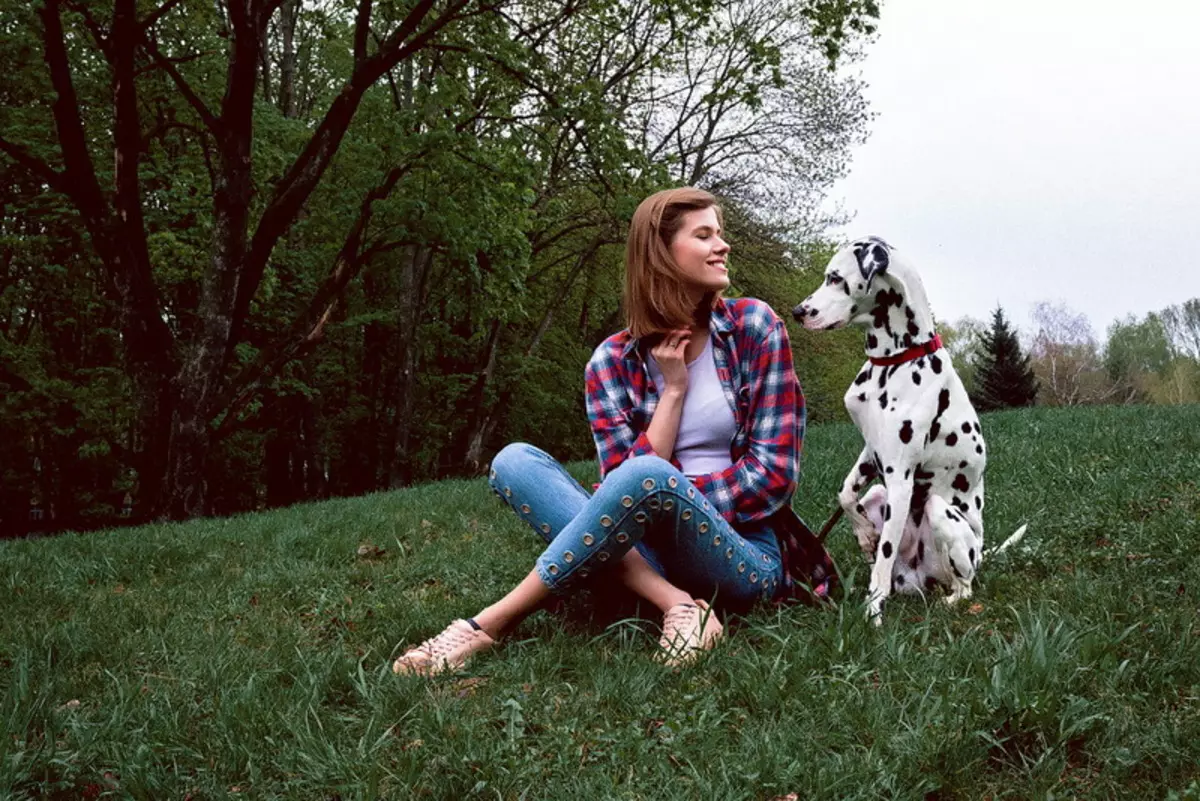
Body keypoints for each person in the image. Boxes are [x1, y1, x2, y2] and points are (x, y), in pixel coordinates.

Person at [393, 187, 829, 675]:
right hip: (641, 549)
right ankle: (679, 605)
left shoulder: (754, 327)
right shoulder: (610, 362)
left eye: (719, 233)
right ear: (660, 254)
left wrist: (667, 497)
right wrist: (673, 393)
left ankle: (488, 623)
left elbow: (772, 477)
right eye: (704, 235)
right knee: (514, 461)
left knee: (644, 478)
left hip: (742, 554)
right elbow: (625, 485)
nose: (722, 245)